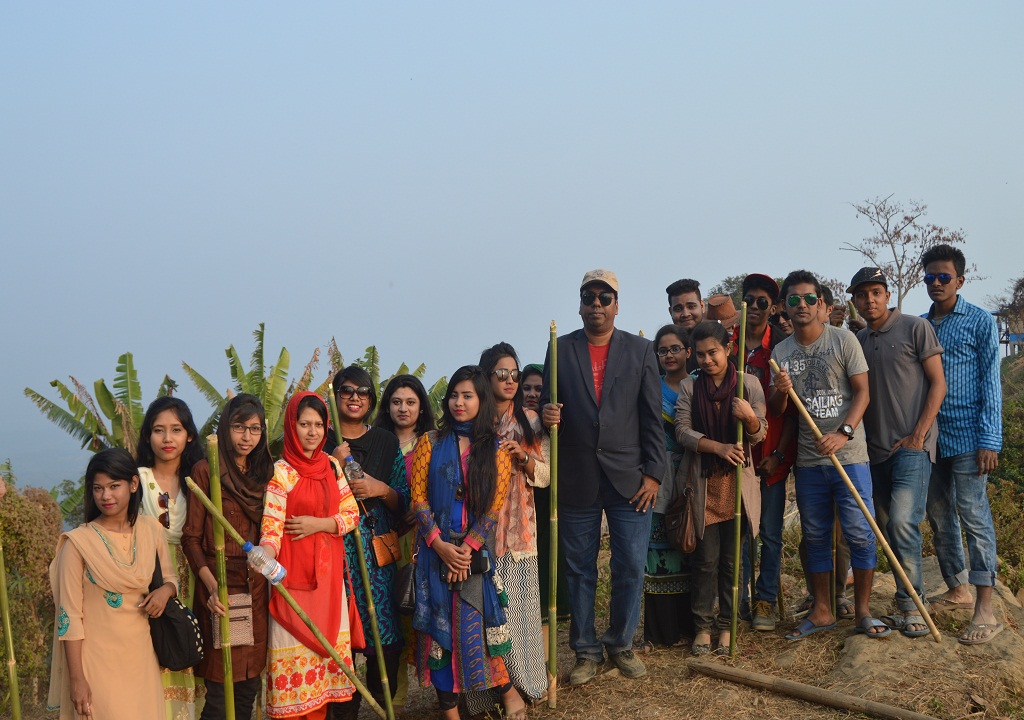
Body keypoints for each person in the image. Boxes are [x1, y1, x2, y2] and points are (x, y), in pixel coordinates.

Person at [542, 269, 665, 685]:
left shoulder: (640, 350)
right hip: (577, 476)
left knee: (630, 564)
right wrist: (548, 415)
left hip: (631, 478)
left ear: (617, 304)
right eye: (589, 297)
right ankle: (585, 650)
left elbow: (652, 418)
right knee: (579, 569)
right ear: (579, 303)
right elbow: (547, 407)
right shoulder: (559, 348)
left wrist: (654, 475)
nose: (596, 304)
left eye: (605, 297)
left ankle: (621, 643)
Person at [770, 271, 888, 641]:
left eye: (809, 299)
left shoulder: (844, 340)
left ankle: (864, 612)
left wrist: (843, 434)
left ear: (822, 304)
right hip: (808, 463)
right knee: (816, 535)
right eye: (793, 300)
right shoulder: (781, 353)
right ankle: (822, 610)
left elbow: (863, 394)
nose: (801, 306)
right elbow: (778, 408)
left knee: (860, 534)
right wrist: (781, 389)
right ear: (785, 307)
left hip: (850, 456)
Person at [409, 366, 515, 720]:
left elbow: (493, 508)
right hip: (433, 552)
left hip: (473, 557)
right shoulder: (430, 442)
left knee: (478, 629)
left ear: (482, 401)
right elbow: (418, 498)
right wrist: (439, 545)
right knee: (438, 638)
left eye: (467, 395)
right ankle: (449, 712)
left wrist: (466, 550)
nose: (459, 402)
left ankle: (507, 694)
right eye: (454, 394)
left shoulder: (496, 449)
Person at [851, 267, 946, 638]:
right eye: (862, 295)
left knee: (905, 523)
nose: (869, 300)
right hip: (871, 452)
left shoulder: (915, 328)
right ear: (855, 300)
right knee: (887, 529)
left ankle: (913, 607)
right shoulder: (857, 340)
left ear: (888, 295)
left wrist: (918, 434)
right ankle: (905, 600)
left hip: (911, 446)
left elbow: (938, 383)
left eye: (876, 292)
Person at [48, 447, 177, 720]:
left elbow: (170, 578)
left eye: (114, 486)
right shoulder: (78, 544)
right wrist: (77, 679)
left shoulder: (150, 530)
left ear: (132, 484)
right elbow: (69, 616)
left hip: (141, 659)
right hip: (97, 665)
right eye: (98, 488)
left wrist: (165, 592)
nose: (105, 496)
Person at [260, 392, 362, 719]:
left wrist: (318, 524)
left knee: (323, 679)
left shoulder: (332, 466)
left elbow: (352, 514)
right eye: (305, 423)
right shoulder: (280, 471)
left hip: (329, 584)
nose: (312, 431)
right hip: (292, 583)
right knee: (294, 676)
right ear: (292, 425)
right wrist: (265, 555)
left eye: (318, 424)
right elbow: (272, 525)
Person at [921, 244, 1004, 645]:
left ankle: (985, 607)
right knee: (937, 513)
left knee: (973, 515)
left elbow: (992, 381)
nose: (936, 284)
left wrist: (991, 438)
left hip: (971, 436)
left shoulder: (980, 321)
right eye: (930, 277)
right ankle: (957, 586)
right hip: (931, 438)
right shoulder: (921, 325)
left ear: (960, 280)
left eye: (944, 277)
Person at [669, 322, 766, 655]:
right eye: (701, 354)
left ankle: (726, 627)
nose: (707, 360)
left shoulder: (749, 384)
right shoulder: (689, 388)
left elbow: (760, 432)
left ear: (728, 349)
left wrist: (749, 418)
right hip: (704, 486)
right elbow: (682, 432)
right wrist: (719, 447)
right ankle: (702, 628)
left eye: (713, 352)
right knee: (705, 561)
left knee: (731, 563)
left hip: (737, 487)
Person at [464, 344, 549, 716]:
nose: (510, 380)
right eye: (501, 374)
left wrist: (525, 458)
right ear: (486, 376)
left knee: (517, 616)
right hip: (478, 532)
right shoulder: (472, 420)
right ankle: (488, 694)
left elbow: (545, 478)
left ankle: (524, 686)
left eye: (514, 374)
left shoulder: (529, 419)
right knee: (484, 616)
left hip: (517, 533)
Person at [182, 394, 274, 720]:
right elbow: (191, 538)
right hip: (221, 590)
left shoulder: (264, 471)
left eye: (254, 429)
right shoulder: (207, 469)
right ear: (225, 429)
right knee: (221, 693)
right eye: (238, 427)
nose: (246, 437)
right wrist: (210, 587)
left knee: (248, 689)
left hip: (257, 587)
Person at [326, 366, 410, 719]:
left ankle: (385, 709)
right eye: (347, 391)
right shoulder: (322, 438)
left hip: (376, 556)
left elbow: (403, 501)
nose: (355, 398)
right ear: (335, 396)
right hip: (334, 554)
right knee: (338, 641)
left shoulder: (385, 442)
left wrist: (380, 489)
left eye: (363, 392)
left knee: (383, 643)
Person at [136, 397, 207, 719]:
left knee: (192, 650)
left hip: (196, 578)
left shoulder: (200, 480)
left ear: (189, 435)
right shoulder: (136, 480)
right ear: (147, 436)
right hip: (149, 581)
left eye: (175, 430)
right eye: (159, 430)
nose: (167, 439)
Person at [735, 274, 797, 632]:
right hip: (737, 458)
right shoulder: (729, 347)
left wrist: (780, 454)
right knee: (742, 532)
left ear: (773, 308)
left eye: (763, 302)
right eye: (749, 300)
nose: (755, 307)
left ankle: (766, 599)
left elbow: (790, 413)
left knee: (770, 533)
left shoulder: (783, 349)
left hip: (771, 457)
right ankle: (740, 598)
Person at [374, 374, 436, 716]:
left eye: (410, 402)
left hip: (424, 542)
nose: (403, 408)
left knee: (425, 615)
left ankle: (442, 695)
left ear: (421, 406)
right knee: (392, 618)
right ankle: (395, 703)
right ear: (387, 406)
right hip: (385, 540)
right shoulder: (376, 445)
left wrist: (422, 511)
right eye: (396, 402)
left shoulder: (434, 442)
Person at [645, 325, 695, 646]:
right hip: (658, 476)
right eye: (663, 351)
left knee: (690, 547)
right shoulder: (651, 389)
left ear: (688, 352)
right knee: (657, 550)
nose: (669, 356)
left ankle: (690, 627)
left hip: (692, 473)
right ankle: (660, 632)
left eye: (675, 349)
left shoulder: (700, 387)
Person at [667, 278, 705, 373]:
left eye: (691, 307)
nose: (685, 314)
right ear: (670, 311)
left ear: (702, 306)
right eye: (678, 309)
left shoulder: (720, 342)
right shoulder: (662, 351)